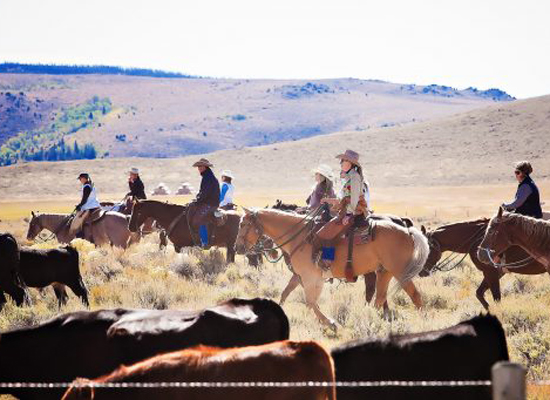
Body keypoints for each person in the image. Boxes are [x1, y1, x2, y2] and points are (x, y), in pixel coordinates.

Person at [190, 158, 220, 248]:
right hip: (210, 202)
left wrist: (198, 200)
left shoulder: (208, 177)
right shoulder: (207, 176)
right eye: (198, 166)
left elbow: (205, 192)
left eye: (200, 166)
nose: (199, 168)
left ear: (205, 167)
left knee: (199, 219)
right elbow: (203, 192)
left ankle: (204, 242)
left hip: (210, 203)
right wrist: (198, 198)